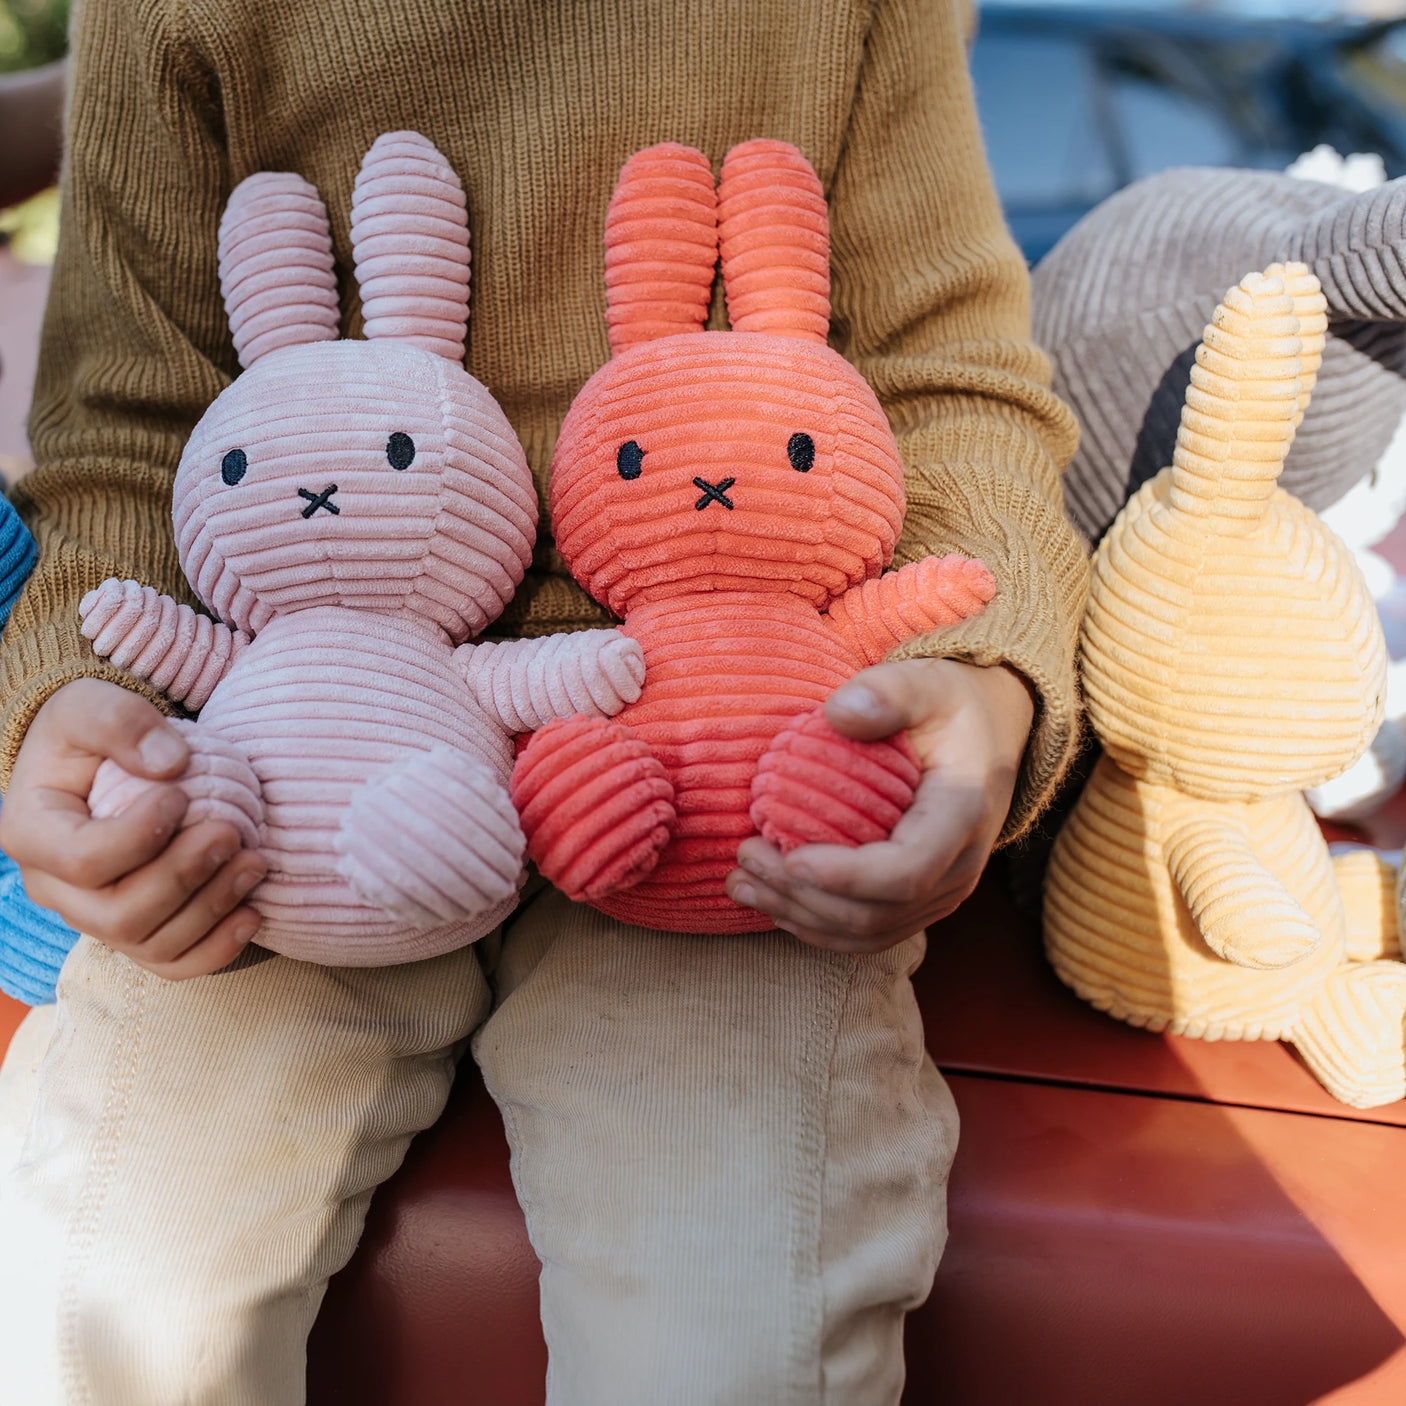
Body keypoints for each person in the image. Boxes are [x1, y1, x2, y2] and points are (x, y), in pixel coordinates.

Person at [0, 0, 1087, 1402]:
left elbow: (952, 381)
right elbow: (130, 433)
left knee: (727, 1341)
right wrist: (73, 700)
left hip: (726, 786)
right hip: (283, 781)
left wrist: (986, 683)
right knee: (82, 1304)